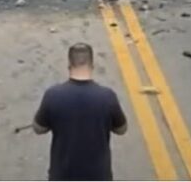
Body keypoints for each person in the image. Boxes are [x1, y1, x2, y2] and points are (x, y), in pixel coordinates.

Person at [32, 43, 127, 181]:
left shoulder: (53, 95)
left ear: (69, 66)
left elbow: (38, 129)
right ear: (92, 66)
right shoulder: (107, 96)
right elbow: (121, 129)